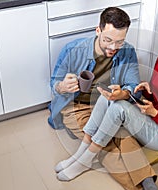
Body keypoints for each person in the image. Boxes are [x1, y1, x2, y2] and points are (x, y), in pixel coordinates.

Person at [55, 25, 158, 190]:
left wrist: (154, 112)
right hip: (150, 117)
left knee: (118, 108)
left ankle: (85, 159)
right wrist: (146, 90)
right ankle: (81, 156)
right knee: (108, 97)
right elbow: (157, 94)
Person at [48, 7, 140, 139]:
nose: (113, 48)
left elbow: (135, 87)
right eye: (108, 40)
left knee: (127, 136)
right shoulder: (72, 50)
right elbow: (54, 84)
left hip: (108, 104)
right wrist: (62, 86)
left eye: (119, 42)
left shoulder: (128, 51)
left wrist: (124, 93)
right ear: (98, 31)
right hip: (77, 105)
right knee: (100, 139)